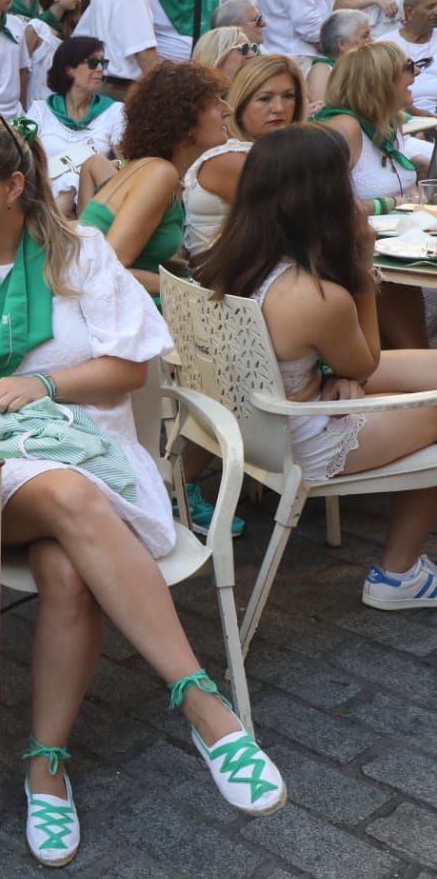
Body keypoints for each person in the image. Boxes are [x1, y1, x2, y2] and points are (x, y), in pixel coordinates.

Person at [0, 112, 286, 867]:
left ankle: (44, 766)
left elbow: (129, 368)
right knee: (69, 497)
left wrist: (41, 384)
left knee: (67, 570)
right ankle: (202, 702)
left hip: (100, 456)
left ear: (14, 186)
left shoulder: (81, 256)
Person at [196, 123, 437, 609]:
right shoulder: (312, 296)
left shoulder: (221, 254)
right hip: (299, 438)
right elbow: (366, 362)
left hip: (255, 419)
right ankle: (399, 575)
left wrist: (333, 376)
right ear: (324, 196)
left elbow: (338, 362)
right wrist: (363, 268)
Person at [316, 40, 433, 348]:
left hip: (398, 250)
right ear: (379, 79)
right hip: (359, 260)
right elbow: (333, 208)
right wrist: (400, 201)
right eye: (409, 67)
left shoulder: (387, 123)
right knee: (416, 351)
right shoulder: (344, 127)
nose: (417, 75)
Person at [79, 63, 231, 298]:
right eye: (215, 103)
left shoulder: (151, 168)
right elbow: (110, 266)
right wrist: (194, 291)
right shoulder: (160, 173)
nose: (227, 109)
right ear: (185, 121)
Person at [183, 54, 305, 256]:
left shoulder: (283, 154)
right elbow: (296, 228)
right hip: (220, 282)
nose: (279, 108)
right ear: (240, 106)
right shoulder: (233, 158)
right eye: (265, 99)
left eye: (288, 96)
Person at [31, 35, 126, 213]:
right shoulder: (40, 111)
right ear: (69, 69)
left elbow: (126, 161)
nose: (100, 69)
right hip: (43, 195)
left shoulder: (114, 112)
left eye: (102, 63)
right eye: (92, 63)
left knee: (74, 179)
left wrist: (114, 164)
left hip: (92, 201)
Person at [376, 0, 437, 114]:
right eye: (430, 7)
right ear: (410, 12)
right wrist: (416, 114)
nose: (436, 11)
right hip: (403, 116)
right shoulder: (385, 45)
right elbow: (377, 92)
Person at [26, 0, 80, 106]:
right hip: (37, 105)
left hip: (62, 106)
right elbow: (21, 71)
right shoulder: (35, 28)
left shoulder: (71, 29)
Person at [308, 10, 372, 109]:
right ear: (342, 44)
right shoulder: (322, 69)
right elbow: (320, 112)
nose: (371, 41)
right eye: (365, 36)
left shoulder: (366, 68)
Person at [191, 26, 261, 81]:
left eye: (253, 48)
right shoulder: (197, 98)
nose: (252, 54)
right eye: (244, 48)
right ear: (217, 57)